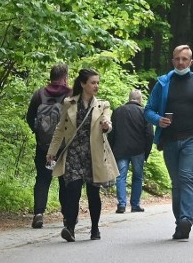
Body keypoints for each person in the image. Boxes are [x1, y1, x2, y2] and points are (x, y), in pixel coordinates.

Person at [144, 45, 193, 240]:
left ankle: (186, 219)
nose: (180, 62)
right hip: (170, 140)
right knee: (177, 183)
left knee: (186, 178)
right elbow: (148, 110)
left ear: (191, 62)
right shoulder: (162, 83)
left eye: (184, 59)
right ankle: (180, 222)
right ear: (172, 61)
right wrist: (158, 119)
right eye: (177, 59)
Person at [46, 68, 118, 242]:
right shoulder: (69, 103)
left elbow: (107, 121)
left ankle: (94, 228)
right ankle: (70, 227)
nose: (96, 86)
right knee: (72, 191)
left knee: (93, 194)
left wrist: (106, 126)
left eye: (98, 83)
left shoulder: (102, 104)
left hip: (94, 155)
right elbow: (60, 129)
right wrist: (52, 151)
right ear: (83, 84)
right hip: (74, 154)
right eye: (93, 82)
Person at [25, 63, 72, 229]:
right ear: (65, 77)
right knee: (65, 180)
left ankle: (38, 213)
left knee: (43, 179)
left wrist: (38, 133)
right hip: (65, 146)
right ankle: (67, 216)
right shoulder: (71, 94)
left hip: (44, 146)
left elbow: (30, 117)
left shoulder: (40, 94)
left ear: (51, 77)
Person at [110, 89, 154, 214]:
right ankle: (135, 204)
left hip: (120, 149)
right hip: (138, 150)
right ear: (140, 100)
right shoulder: (144, 113)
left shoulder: (117, 111)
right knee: (138, 177)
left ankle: (122, 205)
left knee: (120, 177)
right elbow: (150, 134)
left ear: (129, 99)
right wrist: (147, 151)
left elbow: (112, 133)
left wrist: (112, 149)